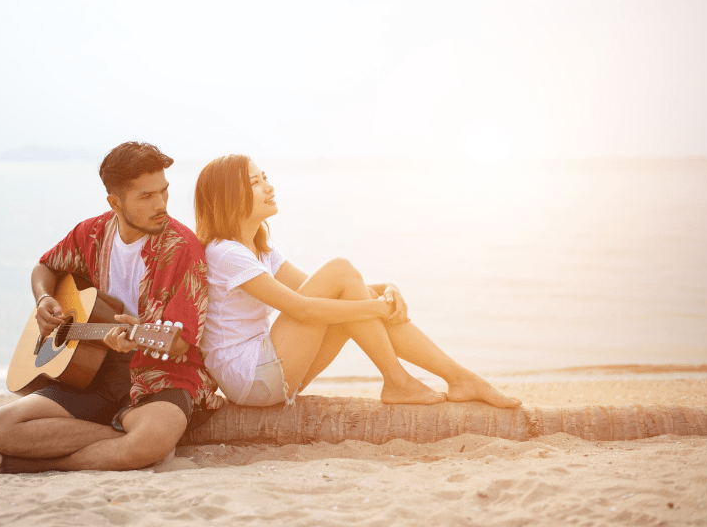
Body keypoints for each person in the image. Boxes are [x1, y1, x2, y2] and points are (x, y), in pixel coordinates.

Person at [194, 154, 521, 409]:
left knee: (346, 282)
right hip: (250, 379)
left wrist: (385, 290)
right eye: (255, 182)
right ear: (230, 196)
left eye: (265, 177)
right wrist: (377, 307)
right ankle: (401, 381)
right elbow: (305, 310)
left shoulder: (260, 248)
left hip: (270, 375)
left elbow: (325, 292)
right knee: (340, 269)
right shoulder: (225, 253)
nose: (269, 186)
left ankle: (457, 378)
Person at [0, 142, 223, 473]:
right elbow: (46, 267)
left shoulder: (183, 248)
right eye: (146, 196)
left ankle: (41, 461)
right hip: (93, 373)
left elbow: (180, 341)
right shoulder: (91, 234)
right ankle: (119, 440)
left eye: (163, 192)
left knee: (152, 437)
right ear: (115, 202)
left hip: (161, 374)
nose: (161, 204)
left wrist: (139, 335)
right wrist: (43, 299)